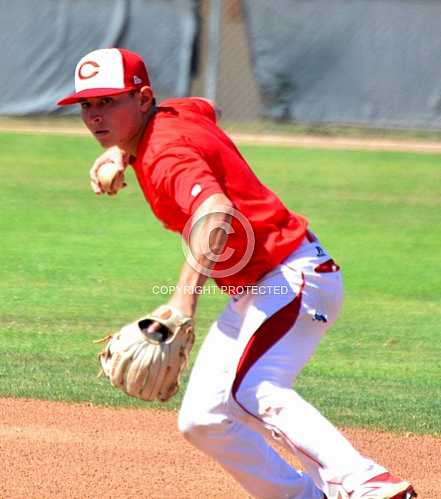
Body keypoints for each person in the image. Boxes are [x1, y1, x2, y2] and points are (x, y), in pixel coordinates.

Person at [58, 48, 416, 499]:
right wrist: (120, 152)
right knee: (204, 419)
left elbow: (215, 212)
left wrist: (181, 301)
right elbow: (206, 108)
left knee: (254, 388)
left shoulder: (165, 154)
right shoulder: (174, 114)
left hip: (291, 278)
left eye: (108, 101)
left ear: (143, 97)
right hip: (260, 287)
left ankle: (367, 483)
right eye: (86, 105)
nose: (93, 115)